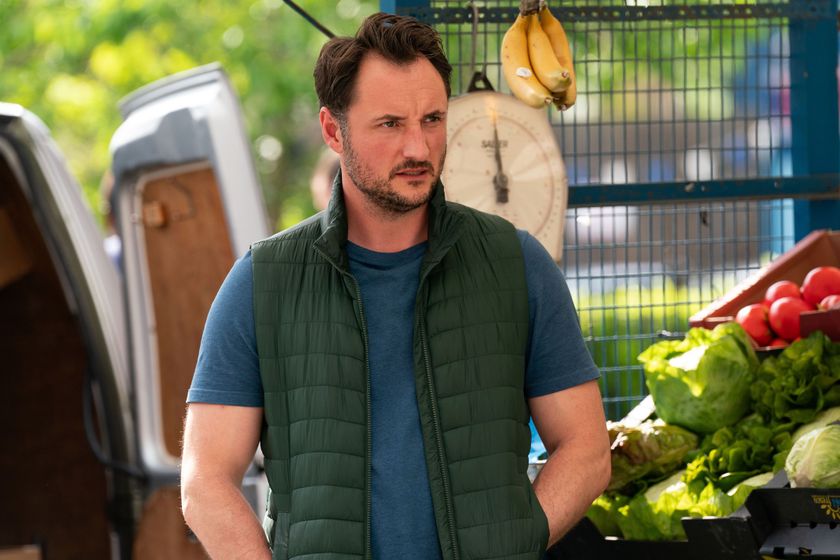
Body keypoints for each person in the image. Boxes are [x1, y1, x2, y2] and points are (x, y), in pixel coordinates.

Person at [180, 12, 610, 560]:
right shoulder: (262, 282)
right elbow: (206, 481)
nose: (418, 147)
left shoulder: (515, 263)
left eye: (432, 119)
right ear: (334, 131)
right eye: (390, 124)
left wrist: (510, 543)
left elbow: (587, 448)